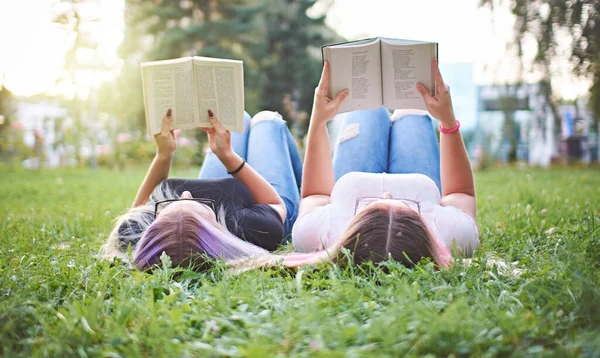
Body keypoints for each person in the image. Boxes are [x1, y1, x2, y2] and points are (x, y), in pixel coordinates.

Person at [289, 59, 480, 269]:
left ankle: (381, 111)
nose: (387, 194)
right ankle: (403, 115)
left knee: (368, 108)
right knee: (412, 113)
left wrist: (318, 121)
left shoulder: (320, 233)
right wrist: (447, 120)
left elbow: (315, 195)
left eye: (372, 209)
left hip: (353, 175)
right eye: (405, 210)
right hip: (420, 177)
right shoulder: (452, 234)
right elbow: (461, 194)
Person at [103, 109, 303, 271]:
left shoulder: (141, 234)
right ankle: (310, 192)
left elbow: (139, 211)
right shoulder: (253, 227)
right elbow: (273, 203)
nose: (186, 194)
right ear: (213, 223)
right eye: (195, 204)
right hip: (266, 202)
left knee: (236, 118)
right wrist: (227, 156)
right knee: (267, 121)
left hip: (229, 190)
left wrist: (164, 154)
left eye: (172, 204)